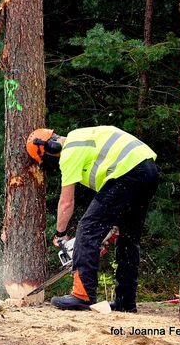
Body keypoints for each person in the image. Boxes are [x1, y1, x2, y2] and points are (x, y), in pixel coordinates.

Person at [26, 126, 159, 312]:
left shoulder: (70, 151)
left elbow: (66, 202)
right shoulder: (82, 136)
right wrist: (109, 230)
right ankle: (125, 301)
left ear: (51, 147)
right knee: (127, 238)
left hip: (127, 172)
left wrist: (60, 234)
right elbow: (114, 199)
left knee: (88, 228)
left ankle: (82, 295)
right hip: (148, 170)